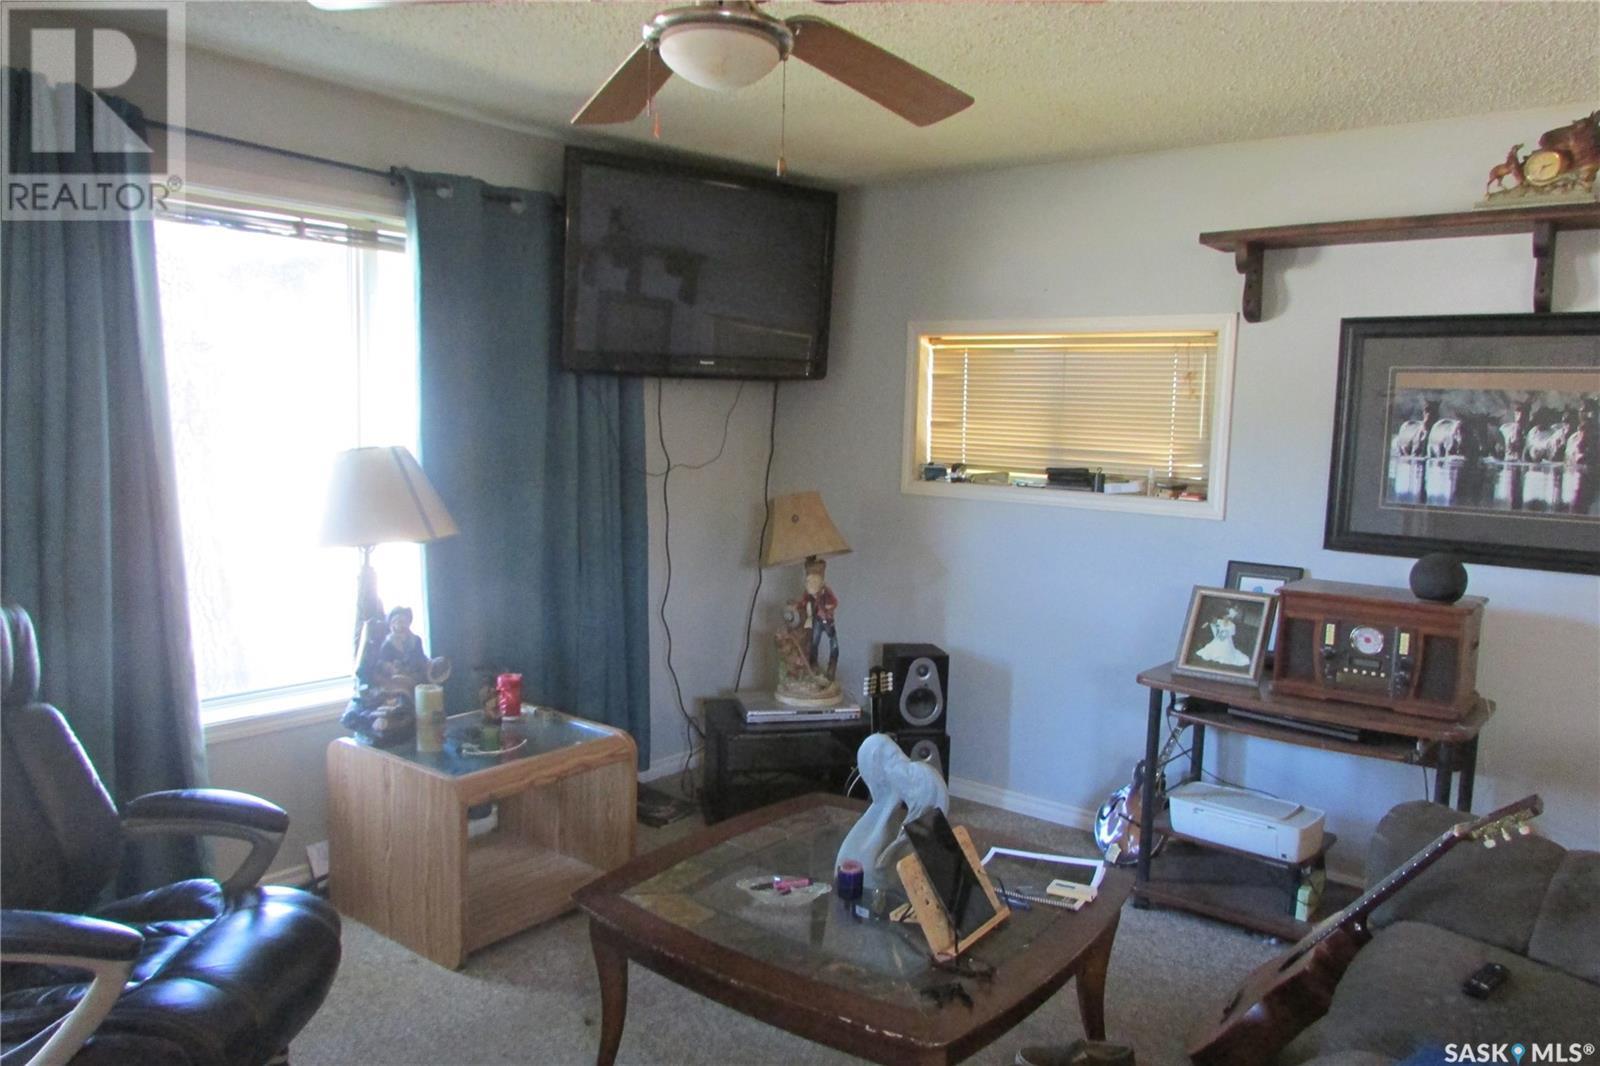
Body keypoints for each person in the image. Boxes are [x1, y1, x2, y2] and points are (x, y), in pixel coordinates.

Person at [795, 558, 840, 680]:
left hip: (827, 620)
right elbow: (803, 602)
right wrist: (797, 606)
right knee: (814, 642)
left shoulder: (826, 591)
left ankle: (832, 667)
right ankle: (813, 665)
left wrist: (828, 609)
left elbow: (834, 602)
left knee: (833, 643)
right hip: (817, 620)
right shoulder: (808, 593)